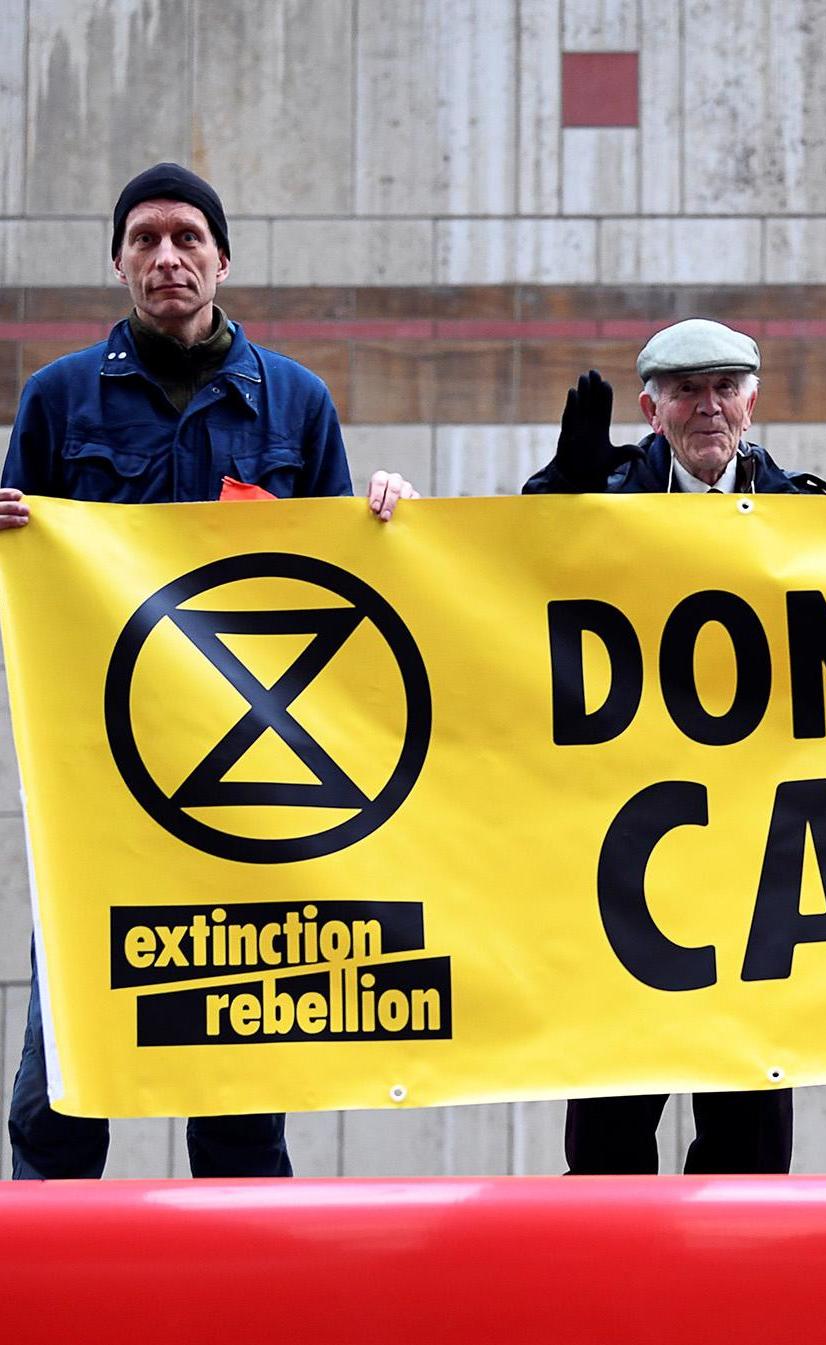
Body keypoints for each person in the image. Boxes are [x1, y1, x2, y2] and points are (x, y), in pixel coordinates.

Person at [1, 162, 418, 1179]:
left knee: (239, 1098)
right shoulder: (56, 403)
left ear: (223, 258)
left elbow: (332, 592)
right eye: (143, 239)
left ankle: (250, 1307)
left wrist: (385, 525)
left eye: (187, 236)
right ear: (117, 263)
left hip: (248, 794)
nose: (166, 256)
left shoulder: (298, 403)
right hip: (104, 786)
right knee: (59, 1090)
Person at [524, 317, 826, 1173]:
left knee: (747, 1154)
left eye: (723, 389)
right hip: (626, 875)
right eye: (684, 391)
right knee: (605, 1148)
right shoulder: (596, 495)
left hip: (758, 880)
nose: (707, 408)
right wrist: (554, 500)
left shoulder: (806, 511)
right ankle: (610, 1308)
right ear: (650, 406)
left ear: (752, 400)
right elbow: (500, 581)